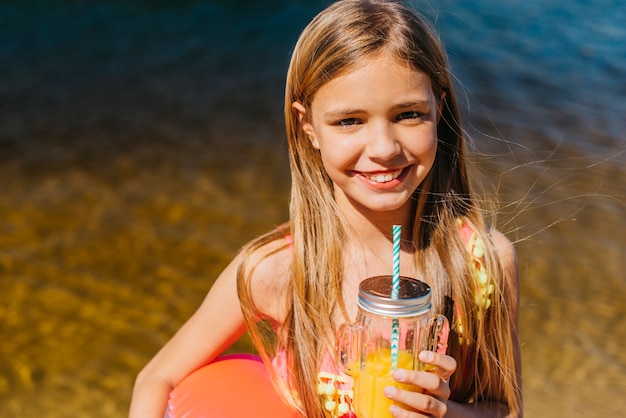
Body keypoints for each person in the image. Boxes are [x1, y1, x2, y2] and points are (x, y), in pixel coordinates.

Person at [129, 0, 522, 417]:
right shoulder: (279, 269)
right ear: (308, 127)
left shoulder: (483, 264)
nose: (384, 148)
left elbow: (506, 409)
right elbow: (158, 378)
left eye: (409, 114)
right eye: (349, 121)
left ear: (438, 112)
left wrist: (447, 414)